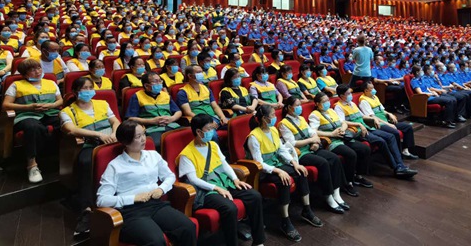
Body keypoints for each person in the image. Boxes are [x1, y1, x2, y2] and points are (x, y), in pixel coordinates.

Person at [96, 120, 197, 246]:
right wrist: (133, 198)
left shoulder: (153, 155)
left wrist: (161, 189)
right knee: (156, 241)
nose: (144, 139)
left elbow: (170, 176)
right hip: (132, 212)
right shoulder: (115, 166)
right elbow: (102, 199)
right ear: (126, 141)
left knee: (188, 227)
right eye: (138, 136)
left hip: (156, 205)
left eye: (143, 134)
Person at [178, 114, 265, 246]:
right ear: (199, 132)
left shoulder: (213, 145)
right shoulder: (186, 154)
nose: (212, 132)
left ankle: (258, 241)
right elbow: (193, 179)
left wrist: (235, 179)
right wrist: (216, 188)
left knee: (254, 196)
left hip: (224, 182)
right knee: (229, 208)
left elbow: (224, 164)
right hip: (207, 191)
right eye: (209, 129)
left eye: (212, 128)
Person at [246, 105, 323, 242]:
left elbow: (281, 150)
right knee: (284, 180)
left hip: (277, 164)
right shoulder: (254, 137)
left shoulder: (273, 130)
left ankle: (307, 210)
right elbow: (259, 163)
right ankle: (285, 221)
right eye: (272, 116)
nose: (275, 118)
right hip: (265, 171)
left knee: (301, 172)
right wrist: (278, 171)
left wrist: (294, 163)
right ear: (264, 119)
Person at [60, 76, 120, 237]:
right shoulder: (67, 111)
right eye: (84, 88)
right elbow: (71, 129)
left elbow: (115, 121)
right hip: (89, 145)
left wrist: (114, 133)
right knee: (86, 162)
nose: (88, 91)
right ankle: (86, 210)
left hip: (111, 141)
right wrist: (98, 135)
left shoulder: (103, 104)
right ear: (75, 91)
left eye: (90, 88)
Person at [279, 97, 349, 214]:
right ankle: (328, 196)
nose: (300, 108)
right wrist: (311, 141)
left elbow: (313, 133)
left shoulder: (301, 119)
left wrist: (315, 142)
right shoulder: (283, 124)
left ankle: (336, 194)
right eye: (297, 105)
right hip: (300, 153)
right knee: (323, 163)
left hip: (312, 147)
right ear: (289, 108)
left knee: (334, 158)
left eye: (300, 105)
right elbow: (292, 143)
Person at [333, 84, 416, 178]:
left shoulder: (352, 103)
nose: (351, 95)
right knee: (381, 141)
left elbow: (362, 116)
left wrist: (373, 118)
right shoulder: (338, 107)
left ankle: (400, 165)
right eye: (348, 94)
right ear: (341, 96)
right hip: (358, 131)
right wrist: (359, 124)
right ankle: (397, 168)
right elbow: (342, 122)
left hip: (367, 127)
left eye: (351, 93)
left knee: (391, 137)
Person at [1, 59, 63, 183]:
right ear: (24, 74)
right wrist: (28, 107)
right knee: (33, 127)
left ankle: (65, 158)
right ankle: (32, 165)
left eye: (39, 68)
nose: (37, 71)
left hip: (50, 113)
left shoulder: (51, 83)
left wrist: (51, 105)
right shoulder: (16, 85)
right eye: (32, 70)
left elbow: (60, 100)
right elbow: (5, 105)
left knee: (66, 123)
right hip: (27, 115)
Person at [308, 92, 372, 196]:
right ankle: (347, 183)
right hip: (331, 141)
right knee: (351, 154)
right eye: (324, 101)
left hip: (342, 137)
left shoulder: (331, 111)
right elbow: (313, 132)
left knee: (365, 149)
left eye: (328, 100)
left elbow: (343, 122)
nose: (327, 103)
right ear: (317, 104)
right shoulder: (314, 115)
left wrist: (342, 129)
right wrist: (331, 134)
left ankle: (357, 176)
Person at [358, 81, 419, 159]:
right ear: (366, 90)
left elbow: (382, 110)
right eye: (372, 88)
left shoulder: (374, 97)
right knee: (395, 132)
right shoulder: (364, 101)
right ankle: (398, 154)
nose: (374, 90)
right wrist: (388, 124)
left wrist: (389, 114)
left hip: (386, 120)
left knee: (408, 127)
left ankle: (406, 151)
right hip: (379, 124)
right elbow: (372, 117)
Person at [124, 72, 182, 149]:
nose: (159, 83)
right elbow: (130, 119)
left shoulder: (165, 95)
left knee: (186, 138)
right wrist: (151, 121)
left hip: (172, 125)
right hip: (152, 129)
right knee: (158, 144)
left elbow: (178, 112)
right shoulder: (137, 97)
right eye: (155, 81)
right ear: (146, 86)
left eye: (160, 81)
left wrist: (172, 118)